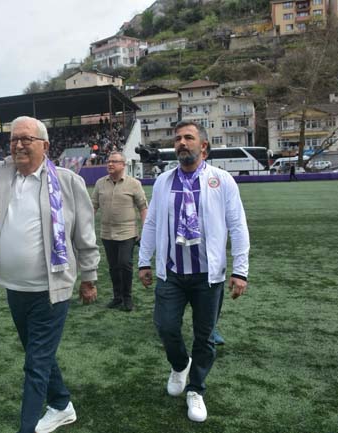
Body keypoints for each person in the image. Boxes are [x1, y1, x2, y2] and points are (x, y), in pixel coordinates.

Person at [0, 75, 100, 433]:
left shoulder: (67, 181)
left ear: (45, 146)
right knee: (40, 355)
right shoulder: (2, 173)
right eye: (13, 139)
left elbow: (84, 234)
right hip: (15, 288)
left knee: (35, 364)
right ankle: (62, 404)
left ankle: (27, 426)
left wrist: (90, 278)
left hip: (51, 290)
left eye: (25, 139)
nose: (18, 144)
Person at [138, 121, 249, 423]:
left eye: (189, 137)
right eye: (177, 139)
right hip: (172, 273)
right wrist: (144, 260)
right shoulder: (163, 181)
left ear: (203, 146)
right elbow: (152, 223)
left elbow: (237, 225)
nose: (182, 143)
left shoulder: (221, 180)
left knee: (205, 337)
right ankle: (179, 365)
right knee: (165, 326)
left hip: (207, 276)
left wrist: (240, 270)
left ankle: (196, 389)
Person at [91, 152, 147, 312]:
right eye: (109, 161)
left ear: (123, 165)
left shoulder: (134, 184)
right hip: (107, 233)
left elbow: (143, 207)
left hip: (127, 232)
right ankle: (117, 297)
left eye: (114, 161)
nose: (110, 164)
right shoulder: (100, 183)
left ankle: (127, 298)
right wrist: (85, 226)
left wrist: (145, 230)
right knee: (113, 266)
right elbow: (93, 206)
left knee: (124, 264)